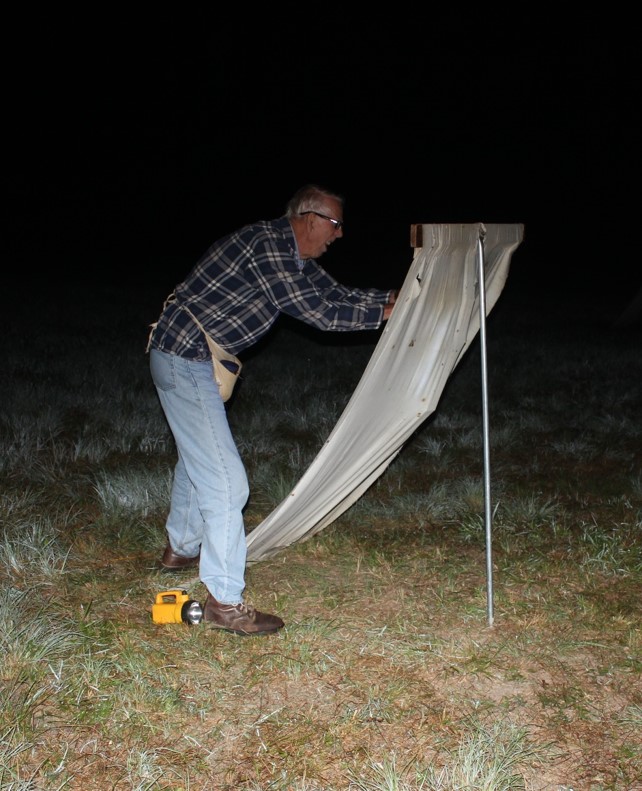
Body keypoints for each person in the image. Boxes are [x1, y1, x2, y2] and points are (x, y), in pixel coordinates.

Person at [147, 184, 397, 636]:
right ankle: (224, 601)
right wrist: (384, 315)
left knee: (198, 455)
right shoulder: (267, 247)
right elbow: (319, 313)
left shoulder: (294, 256)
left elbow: (336, 294)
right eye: (335, 224)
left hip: (186, 356)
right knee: (227, 485)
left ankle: (181, 548)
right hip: (184, 358)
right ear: (309, 217)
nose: (339, 235)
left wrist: (395, 301)